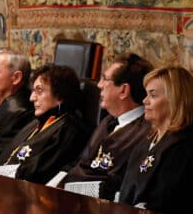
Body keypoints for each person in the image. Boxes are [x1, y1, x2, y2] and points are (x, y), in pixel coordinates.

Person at [50, 52, 152, 198]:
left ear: (123, 90)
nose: (99, 85)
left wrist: (68, 189)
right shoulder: (107, 121)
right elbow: (79, 163)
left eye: (105, 79)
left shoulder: (146, 132)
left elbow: (117, 185)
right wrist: (51, 187)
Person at [117, 65, 193, 214]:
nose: (144, 101)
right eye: (146, 94)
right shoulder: (147, 140)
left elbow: (164, 204)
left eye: (153, 95)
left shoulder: (184, 146)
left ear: (174, 101)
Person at [0, 63, 90, 184]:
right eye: (33, 91)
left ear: (60, 95)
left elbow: (38, 173)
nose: (32, 98)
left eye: (39, 91)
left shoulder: (70, 130)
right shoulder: (37, 121)